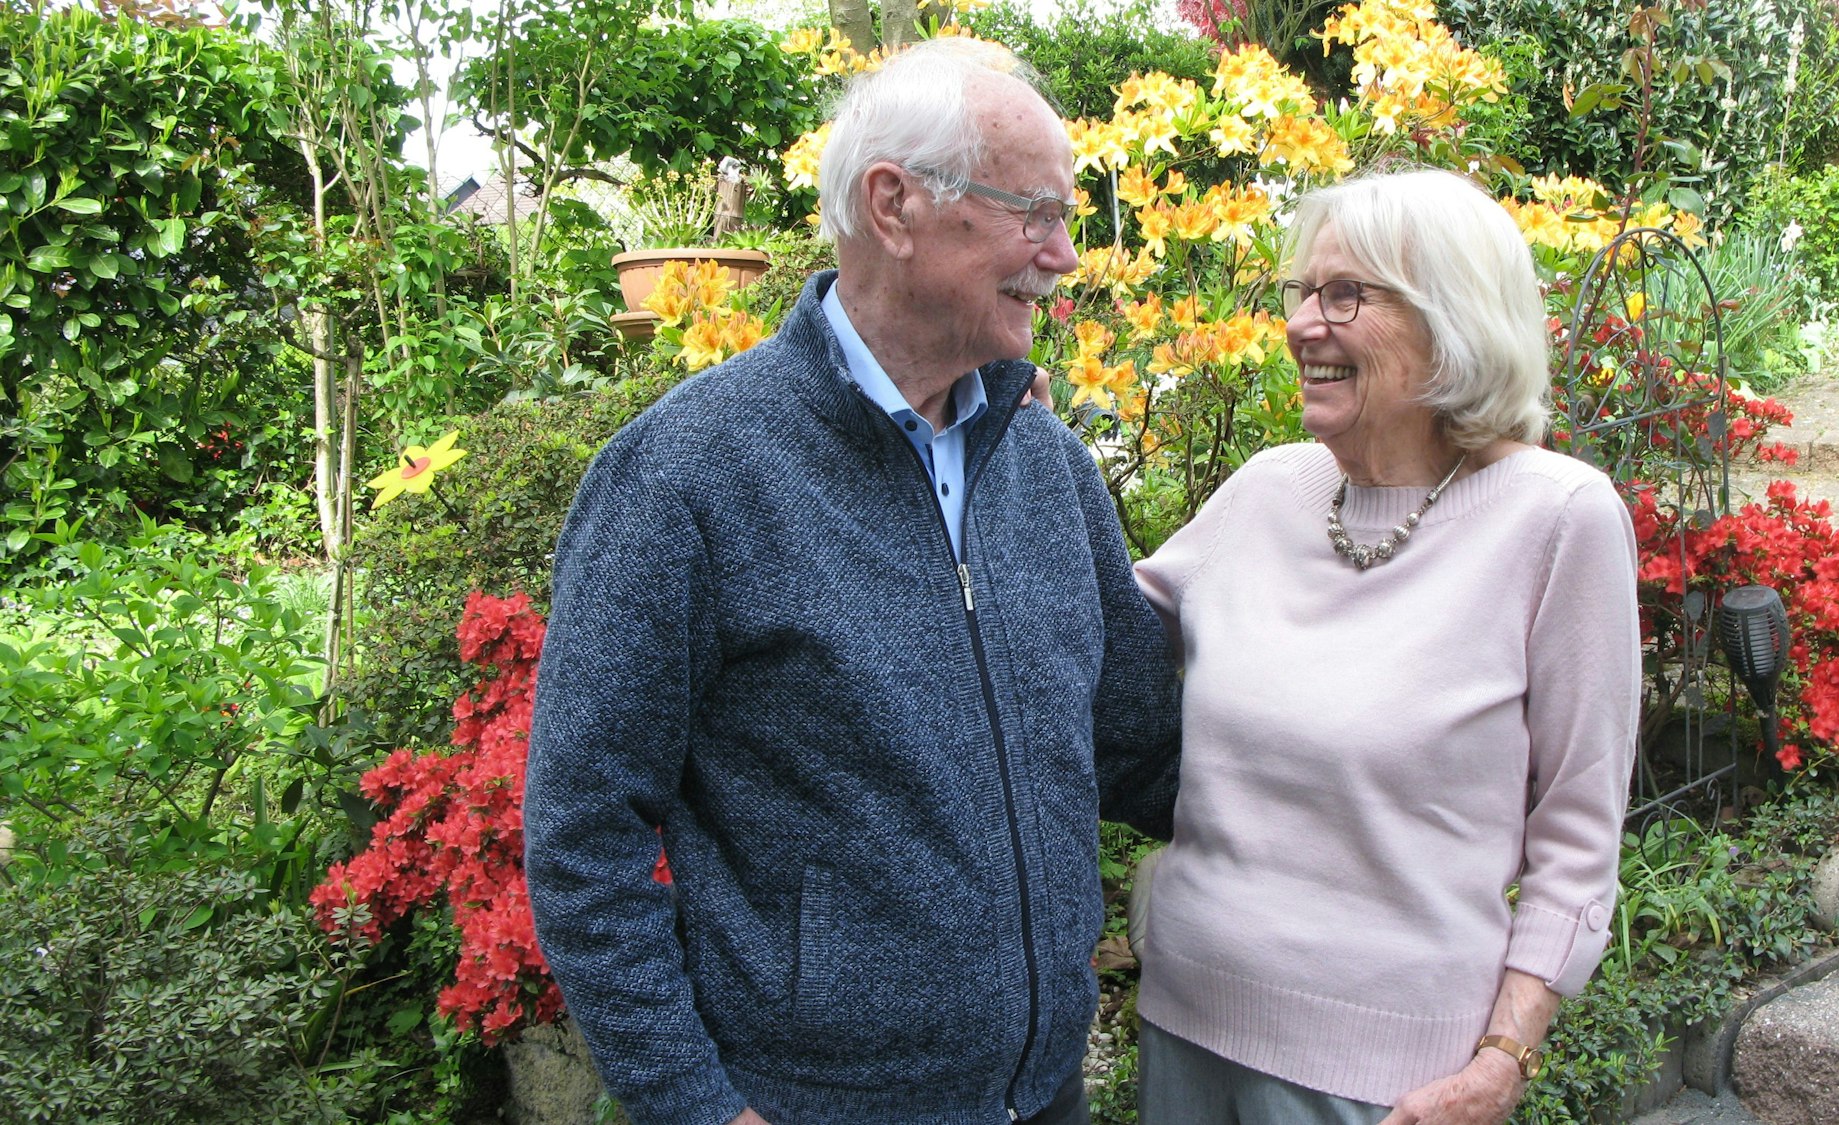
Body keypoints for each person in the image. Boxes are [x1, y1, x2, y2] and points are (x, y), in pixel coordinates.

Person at [522, 38, 1182, 1125]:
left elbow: (1140, 751)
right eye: (1035, 214)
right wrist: (696, 1107)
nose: (1064, 256)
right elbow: (584, 835)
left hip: (1043, 1096)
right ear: (893, 205)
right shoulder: (689, 476)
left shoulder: (1049, 470)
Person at [1130, 168, 1640, 1125]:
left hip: (1386, 1080)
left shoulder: (1557, 517)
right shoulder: (1267, 489)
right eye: (1303, 292)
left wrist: (1503, 1057)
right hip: (1185, 1027)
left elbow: (1578, 832)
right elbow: (1087, 638)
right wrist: (1014, 447)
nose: (1302, 325)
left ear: (1451, 322)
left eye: (1344, 296)